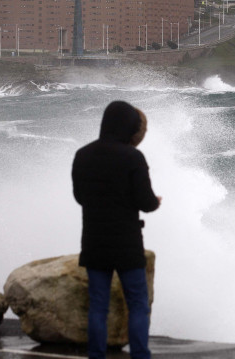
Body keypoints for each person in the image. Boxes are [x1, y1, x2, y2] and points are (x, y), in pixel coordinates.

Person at [72, 101, 161, 359]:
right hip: (126, 242)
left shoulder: (83, 154)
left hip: (94, 240)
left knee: (98, 306)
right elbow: (146, 202)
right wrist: (156, 202)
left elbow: (80, 196)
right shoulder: (133, 157)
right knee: (137, 305)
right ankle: (140, 355)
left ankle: (96, 355)